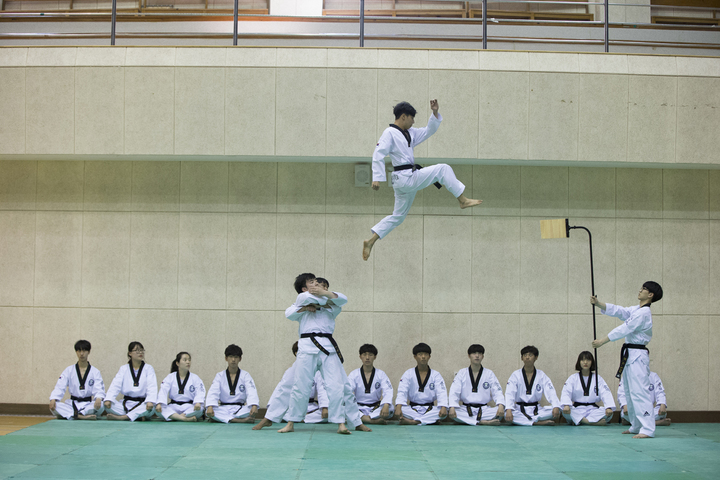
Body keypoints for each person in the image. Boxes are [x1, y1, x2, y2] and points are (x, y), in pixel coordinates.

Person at [362, 100, 482, 260]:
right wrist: (377, 178)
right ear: (403, 116)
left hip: (403, 181)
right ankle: (462, 200)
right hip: (406, 177)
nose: (413, 122)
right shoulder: (389, 133)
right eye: (412, 118)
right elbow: (378, 153)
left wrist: (435, 113)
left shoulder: (409, 133)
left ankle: (370, 241)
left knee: (398, 216)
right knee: (442, 169)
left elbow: (428, 131)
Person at [279, 273, 369, 434]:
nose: (316, 285)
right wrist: (307, 306)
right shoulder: (301, 300)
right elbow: (289, 313)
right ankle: (291, 422)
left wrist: (324, 294)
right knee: (300, 386)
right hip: (306, 346)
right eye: (312, 283)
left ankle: (341, 423)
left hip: (328, 348)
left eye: (318, 283)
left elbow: (342, 299)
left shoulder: (332, 305)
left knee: (336, 386)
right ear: (304, 288)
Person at [591, 281, 663, 439]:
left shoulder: (643, 313)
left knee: (640, 392)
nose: (640, 290)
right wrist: (599, 304)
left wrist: (603, 340)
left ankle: (648, 429)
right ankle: (636, 425)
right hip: (630, 354)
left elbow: (625, 328)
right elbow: (620, 311)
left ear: (650, 295)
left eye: (644, 289)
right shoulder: (637, 310)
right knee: (630, 392)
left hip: (637, 355)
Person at [253, 341, 331, 430]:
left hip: (312, 407)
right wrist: (270, 412)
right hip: (295, 406)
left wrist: (325, 407)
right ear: (296, 354)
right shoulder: (291, 371)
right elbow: (282, 389)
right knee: (285, 411)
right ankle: (269, 418)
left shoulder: (317, 371)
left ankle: (301, 418)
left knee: (329, 414)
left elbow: (322, 389)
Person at [448, 344, 504, 426]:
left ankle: (471, 421)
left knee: (505, 410)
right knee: (448, 410)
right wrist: (452, 406)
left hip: (484, 410)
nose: (477, 356)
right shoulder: (462, 373)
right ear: (469, 356)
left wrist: (500, 404)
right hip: (465, 409)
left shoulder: (489, 373)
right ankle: (481, 422)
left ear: (483, 356)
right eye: (474, 353)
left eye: (479, 353)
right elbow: (454, 391)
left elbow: (497, 391)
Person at [504, 345, 561, 426]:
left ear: (536, 357)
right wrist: (509, 408)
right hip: (520, 409)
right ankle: (536, 422)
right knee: (505, 412)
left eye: (530, 355)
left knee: (558, 409)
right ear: (521, 358)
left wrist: (555, 406)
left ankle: (527, 421)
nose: (527, 357)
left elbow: (550, 391)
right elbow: (510, 393)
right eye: (525, 355)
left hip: (536, 409)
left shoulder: (541, 375)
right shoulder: (515, 375)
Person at [49, 340, 105, 420]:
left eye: (84, 350)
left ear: (89, 352)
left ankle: (71, 415)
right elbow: (60, 386)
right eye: (79, 351)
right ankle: (81, 416)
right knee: (55, 406)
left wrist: (98, 398)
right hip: (72, 404)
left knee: (102, 405)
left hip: (88, 404)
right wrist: (53, 398)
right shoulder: (69, 370)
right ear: (76, 352)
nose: (81, 354)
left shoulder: (95, 372)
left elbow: (99, 388)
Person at [394, 343, 448, 425]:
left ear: (429, 357)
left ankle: (413, 421)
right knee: (398, 410)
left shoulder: (436, 375)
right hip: (412, 408)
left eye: (426, 354)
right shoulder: (408, 373)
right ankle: (429, 421)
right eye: (420, 354)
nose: (423, 357)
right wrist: (398, 406)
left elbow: (441, 392)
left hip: (430, 408)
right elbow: (402, 391)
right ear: (415, 357)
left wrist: (443, 406)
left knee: (445, 411)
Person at [104, 341, 157, 421]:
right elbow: (115, 385)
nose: (140, 352)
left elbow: (152, 386)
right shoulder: (124, 368)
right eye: (137, 350)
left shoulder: (148, 368)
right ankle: (137, 416)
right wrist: (109, 399)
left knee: (151, 407)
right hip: (126, 403)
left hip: (142, 403)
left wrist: (150, 400)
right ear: (130, 353)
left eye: (142, 350)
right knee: (106, 404)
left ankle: (124, 417)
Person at [206, 344, 259, 424]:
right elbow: (213, 391)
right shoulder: (220, 376)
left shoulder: (245, 375)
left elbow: (251, 391)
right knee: (210, 410)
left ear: (240, 359)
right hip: (223, 408)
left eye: (236, 357)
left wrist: (254, 405)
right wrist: (210, 406)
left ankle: (224, 419)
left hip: (240, 408)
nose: (233, 360)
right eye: (230, 357)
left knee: (250, 409)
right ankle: (238, 420)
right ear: (226, 358)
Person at [560, 351, 615, 426]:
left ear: (592, 362)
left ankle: (580, 421)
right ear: (579, 362)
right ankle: (590, 422)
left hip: (593, 410)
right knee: (566, 411)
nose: (585, 362)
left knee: (608, 413)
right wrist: (566, 405)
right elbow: (566, 392)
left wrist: (609, 407)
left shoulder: (597, 378)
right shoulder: (573, 378)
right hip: (577, 409)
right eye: (582, 360)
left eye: (588, 360)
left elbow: (605, 392)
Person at [347, 344, 394, 424]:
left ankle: (362, 418)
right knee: (344, 406)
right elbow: (348, 391)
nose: (367, 357)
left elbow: (388, 390)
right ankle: (370, 419)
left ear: (375, 357)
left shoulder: (381, 374)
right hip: (358, 407)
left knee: (391, 408)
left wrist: (386, 405)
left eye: (370, 355)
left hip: (375, 407)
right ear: (360, 357)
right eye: (364, 355)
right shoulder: (354, 374)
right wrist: (352, 404)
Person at [156, 352, 206, 422]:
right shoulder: (170, 377)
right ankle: (184, 418)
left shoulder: (195, 378)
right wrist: (159, 403)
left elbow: (200, 391)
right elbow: (163, 390)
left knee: (200, 409)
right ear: (177, 363)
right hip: (173, 406)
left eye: (189, 360)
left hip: (189, 407)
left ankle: (174, 417)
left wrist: (198, 402)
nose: (188, 362)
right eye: (185, 360)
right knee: (159, 409)